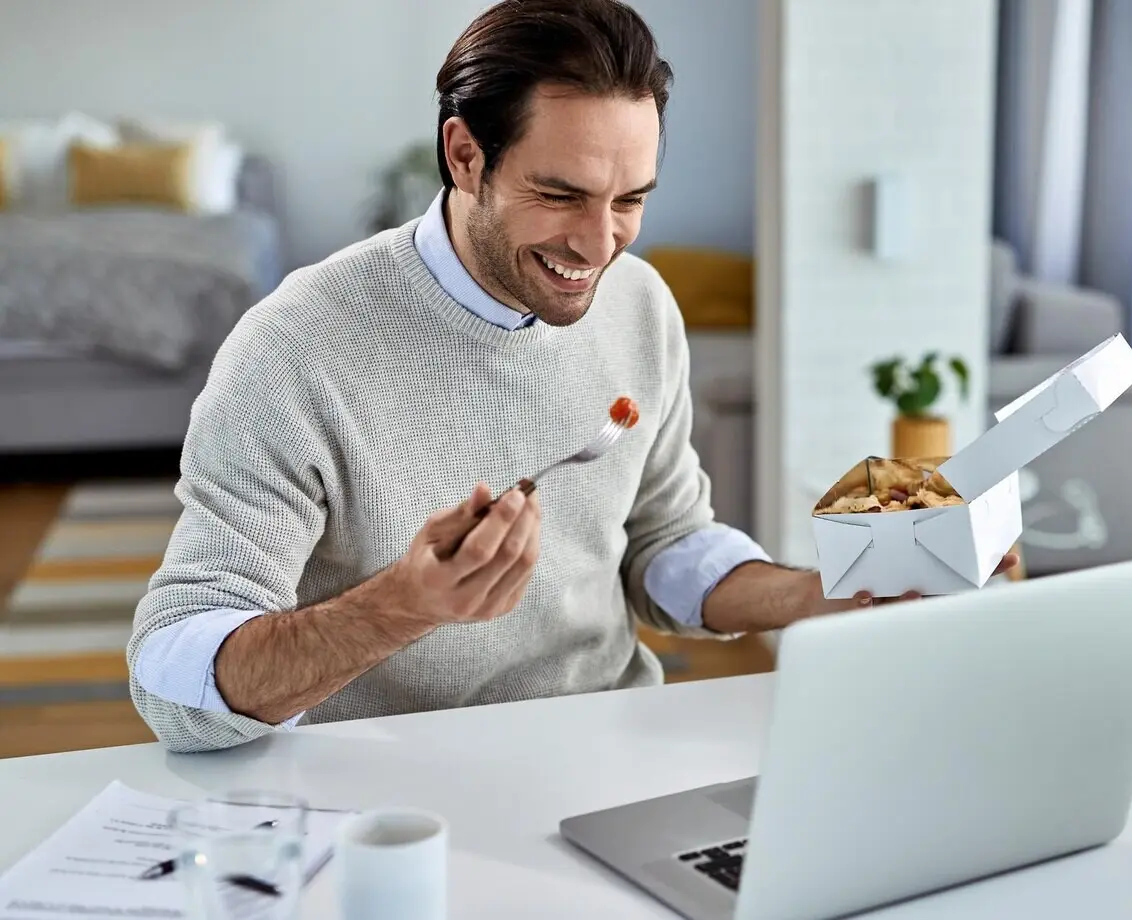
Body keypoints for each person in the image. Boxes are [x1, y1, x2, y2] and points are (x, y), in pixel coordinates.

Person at [127, 0, 1016, 754]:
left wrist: (819, 596)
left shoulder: (638, 304)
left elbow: (665, 540)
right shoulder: (294, 351)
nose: (600, 248)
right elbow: (172, 680)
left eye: (631, 200)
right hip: (390, 790)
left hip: (611, 748)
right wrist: (399, 608)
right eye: (560, 195)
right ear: (465, 156)